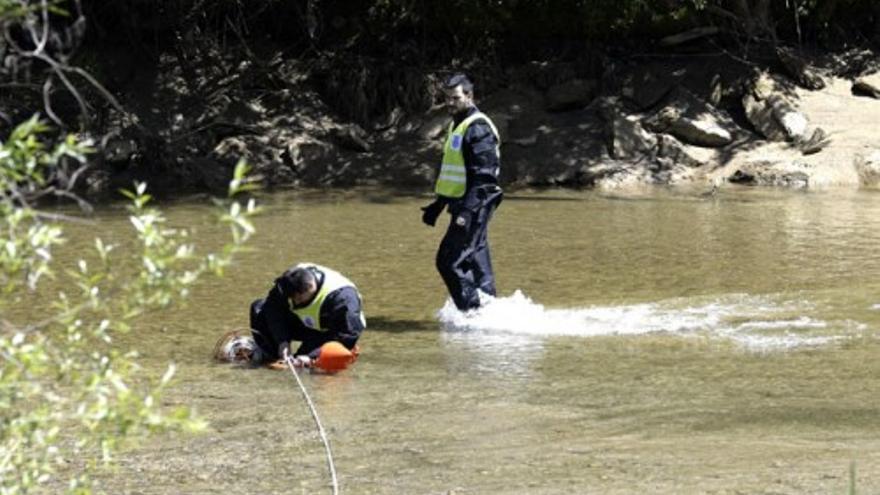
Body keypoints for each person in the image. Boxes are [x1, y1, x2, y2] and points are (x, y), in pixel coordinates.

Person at [421, 73, 503, 311]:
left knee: (448, 261)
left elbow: (484, 178)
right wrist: (438, 206)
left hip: (477, 204)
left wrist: (466, 213)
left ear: (469, 96)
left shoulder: (477, 128)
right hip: (465, 203)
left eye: (455, 98)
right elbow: (455, 173)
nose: (450, 103)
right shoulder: (457, 124)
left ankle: (471, 313)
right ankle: (490, 310)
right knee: (476, 260)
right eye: (446, 98)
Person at [243, 262, 365, 369]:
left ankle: (307, 359)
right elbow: (273, 308)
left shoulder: (344, 299)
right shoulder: (289, 281)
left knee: (304, 364)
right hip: (304, 322)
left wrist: (311, 357)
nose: (294, 302)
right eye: (291, 298)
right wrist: (282, 341)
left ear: (310, 287)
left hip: (329, 332)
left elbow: (348, 334)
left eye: (298, 298)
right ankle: (272, 357)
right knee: (259, 309)